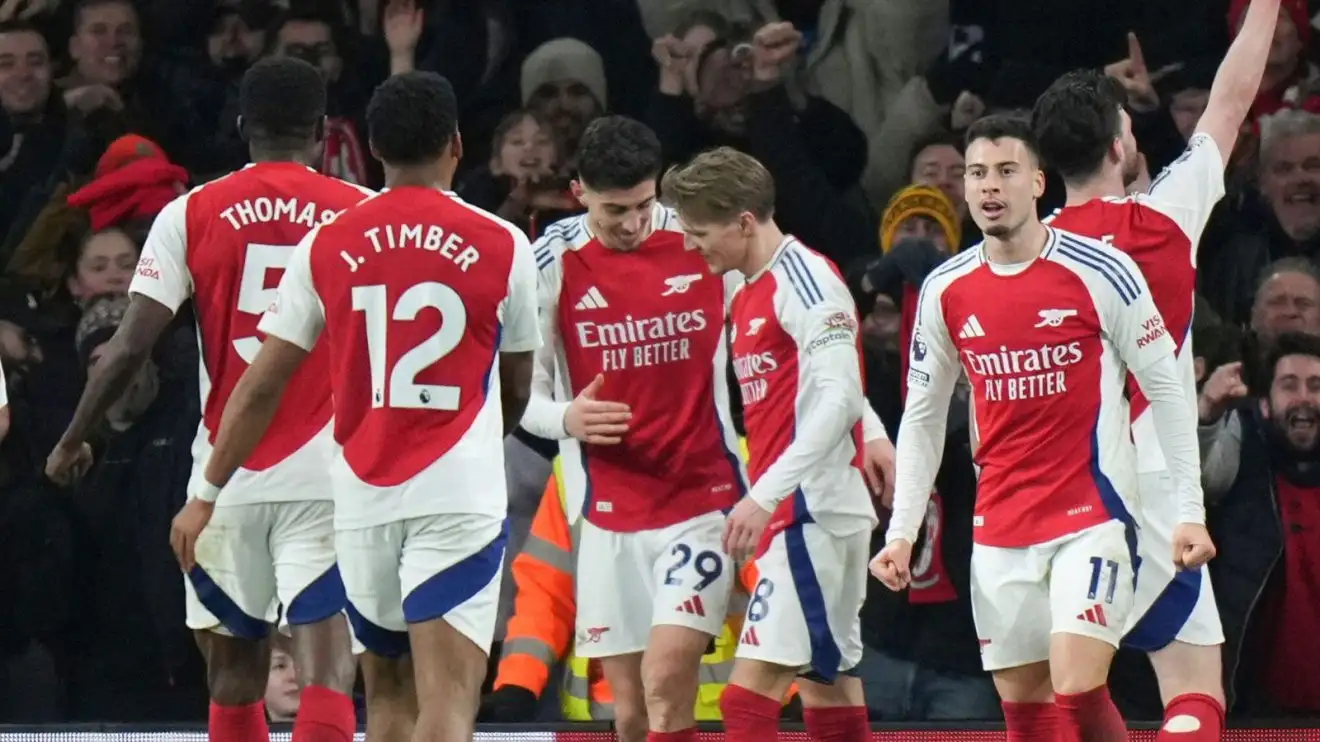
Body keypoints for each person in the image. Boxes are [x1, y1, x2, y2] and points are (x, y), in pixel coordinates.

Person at [174, 70, 540, 742]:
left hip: (365, 500)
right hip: (455, 497)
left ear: (371, 149)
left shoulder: (329, 243)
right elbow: (518, 385)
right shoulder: (503, 243)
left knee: (390, 704)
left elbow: (260, 384)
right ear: (458, 144)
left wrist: (208, 488)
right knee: (448, 707)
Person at [518, 116, 893, 742]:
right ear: (579, 193)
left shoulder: (701, 239)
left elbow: (818, 348)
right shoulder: (548, 262)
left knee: (670, 681)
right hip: (606, 511)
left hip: (705, 500)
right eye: (616, 210)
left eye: (645, 205)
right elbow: (515, 396)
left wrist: (870, 426)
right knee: (631, 713)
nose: (636, 223)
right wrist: (564, 418)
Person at [45, 57, 373, 742]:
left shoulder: (189, 212)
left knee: (232, 672)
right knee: (325, 667)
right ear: (319, 131)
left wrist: (77, 433)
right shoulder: (360, 215)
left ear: (242, 125)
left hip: (227, 474)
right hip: (329, 471)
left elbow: (131, 343)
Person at [870, 116, 1208, 742]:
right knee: (1027, 717)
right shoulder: (947, 287)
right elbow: (919, 418)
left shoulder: (1102, 271)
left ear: (1037, 183)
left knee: (1078, 689)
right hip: (999, 531)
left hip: (1092, 517)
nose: (989, 186)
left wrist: (1190, 510)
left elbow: (1166, 388)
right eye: (977, 174)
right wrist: (902, 531)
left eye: (1005, 171)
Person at [1030, 3, 1277, 738]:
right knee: (1195, 692)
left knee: (1062, 691)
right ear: (1120, 143)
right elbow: (1231, 98)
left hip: (1059, 490)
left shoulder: (1022, 256)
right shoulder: (1165, 218)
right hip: (1159, 487)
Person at [662, 146, 876, 742]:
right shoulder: (746, 286)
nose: (691, 245)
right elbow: (831, 379)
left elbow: (839, 397)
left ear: (745, 222)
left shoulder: (804, 281)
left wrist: (763, 494)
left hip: (813, 512)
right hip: (804, 510)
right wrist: (877, 434)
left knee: (746, 701)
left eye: (700, 232)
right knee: (827, 681)